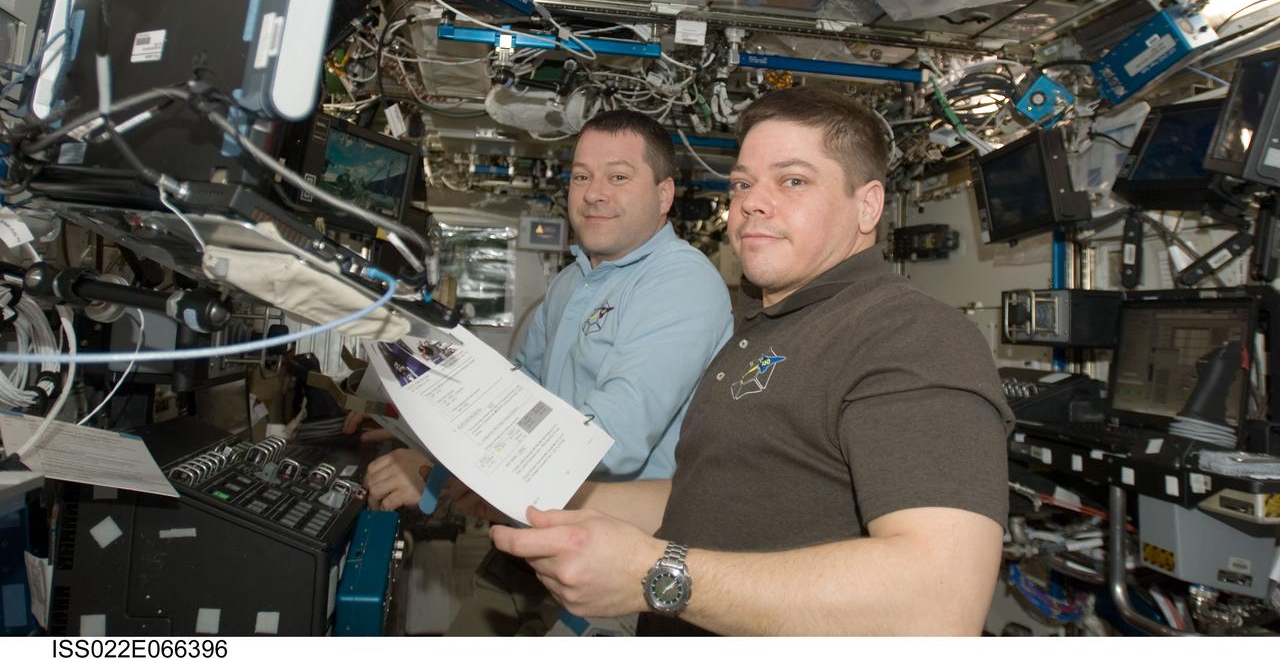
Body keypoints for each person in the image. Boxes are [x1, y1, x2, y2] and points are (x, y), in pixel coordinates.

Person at [486, 87, 1014, 636]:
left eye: (793, 181)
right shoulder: (756, 327)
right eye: (742, 183)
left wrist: (653, 574)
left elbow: (940, 603)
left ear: (868, 205)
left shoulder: (909, 334)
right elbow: (701, 499)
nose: (752, 202)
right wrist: (543, 504)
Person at [356, 108, 734, 512]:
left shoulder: (680, 282)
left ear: (664, 195)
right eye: (582, 177)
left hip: (622, 549)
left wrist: (448, 465)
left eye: (618, 177)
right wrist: (425, 422)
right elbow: (521, 389)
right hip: (543, 522)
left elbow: (609, 440)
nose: (593, 193)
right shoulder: (572, 280)